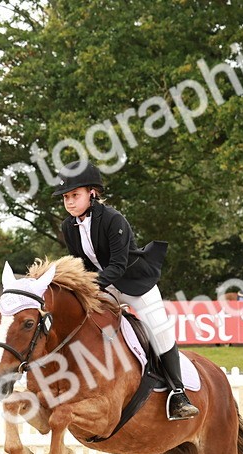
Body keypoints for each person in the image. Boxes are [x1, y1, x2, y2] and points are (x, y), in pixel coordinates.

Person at [52, 162, 199, 420]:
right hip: (104, 286)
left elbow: (118, 265)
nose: (70, 202)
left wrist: (90, 286)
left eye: (75, 195)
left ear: (92, 193)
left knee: (160, 330)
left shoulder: (113, 219)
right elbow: (80, 265)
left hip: (134, 284)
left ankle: (178, 394)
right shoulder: (68, 227)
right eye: (66, 197)